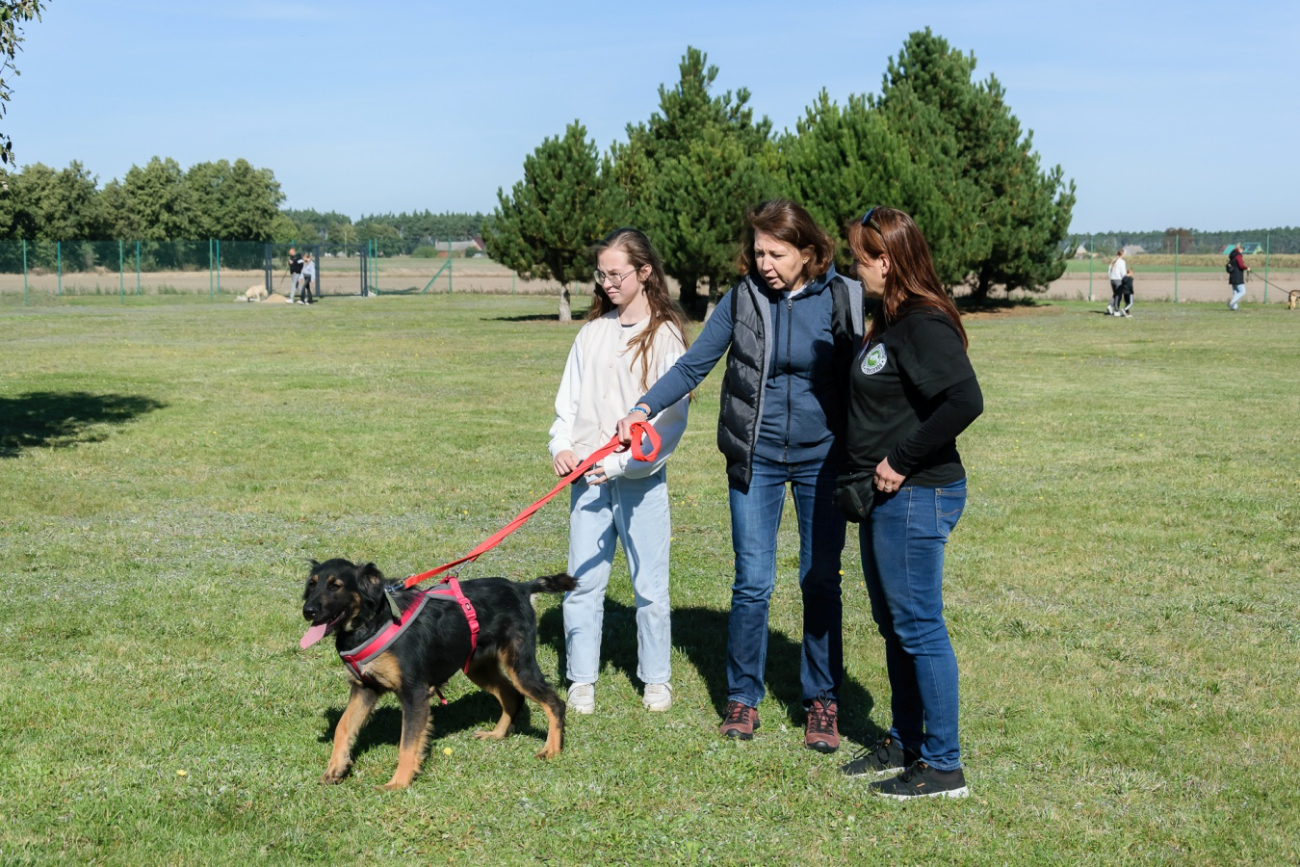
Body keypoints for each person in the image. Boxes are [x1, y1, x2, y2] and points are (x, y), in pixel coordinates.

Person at [615, 199, 864, 753]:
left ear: (809, 251)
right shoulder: (743, 298)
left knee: (821, 579)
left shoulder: (845, 296)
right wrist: (642, 407)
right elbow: (694, 363)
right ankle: (742, 697)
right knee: (753, 581)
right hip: (758, 459)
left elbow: (870, 372)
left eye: (777, 253)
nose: (765, 263)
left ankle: (822, 699)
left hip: (825, 459)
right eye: (758, 253)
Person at [837, 206, 983, 799]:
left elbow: (965, 400)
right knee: (894, 625)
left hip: (919, 494)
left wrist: (899, 460)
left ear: (887, 260)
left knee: (919, 626)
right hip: (883, 499)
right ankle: (905, 740)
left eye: (860, 258)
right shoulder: (887, 317)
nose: (855, 268)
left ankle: (944, 766)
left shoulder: (923, 321)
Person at [549, 228, 690, 715]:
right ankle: (581, 679)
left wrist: (622, 465)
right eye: (601, 274)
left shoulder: (666, 337)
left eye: (616, 274)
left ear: (644, 272)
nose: (607, 282)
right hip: (586, 479)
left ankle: (656, 678)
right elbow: (568, 405)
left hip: (639, 480)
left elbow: (669, 423)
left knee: (649, 585)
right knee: (583, 579)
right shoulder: (591, 334)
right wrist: (562, 447)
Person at [1227, 243, 1249, 310]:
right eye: (1242, 249)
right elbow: (1241, 265)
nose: (1242, 250)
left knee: (1236, 292)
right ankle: (1232, 303)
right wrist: (1247, 268)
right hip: (1238, 276)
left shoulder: (1232, 255)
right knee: (1242, 291)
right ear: (1239, 248)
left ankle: (1235, 307)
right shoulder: (1238, 256)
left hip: (1232, 275)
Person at [1106, 249, 1127, 315]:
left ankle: (1110, 306)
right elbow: (1123, 272)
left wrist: (1111, 277)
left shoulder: (1114, 260)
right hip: (1118, 280)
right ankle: (1116, 311)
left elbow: (1109, 270)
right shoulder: (1122, 262)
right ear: (1122, 254)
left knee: (1115, 294)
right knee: (1119, 296)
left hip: (1112, 280)